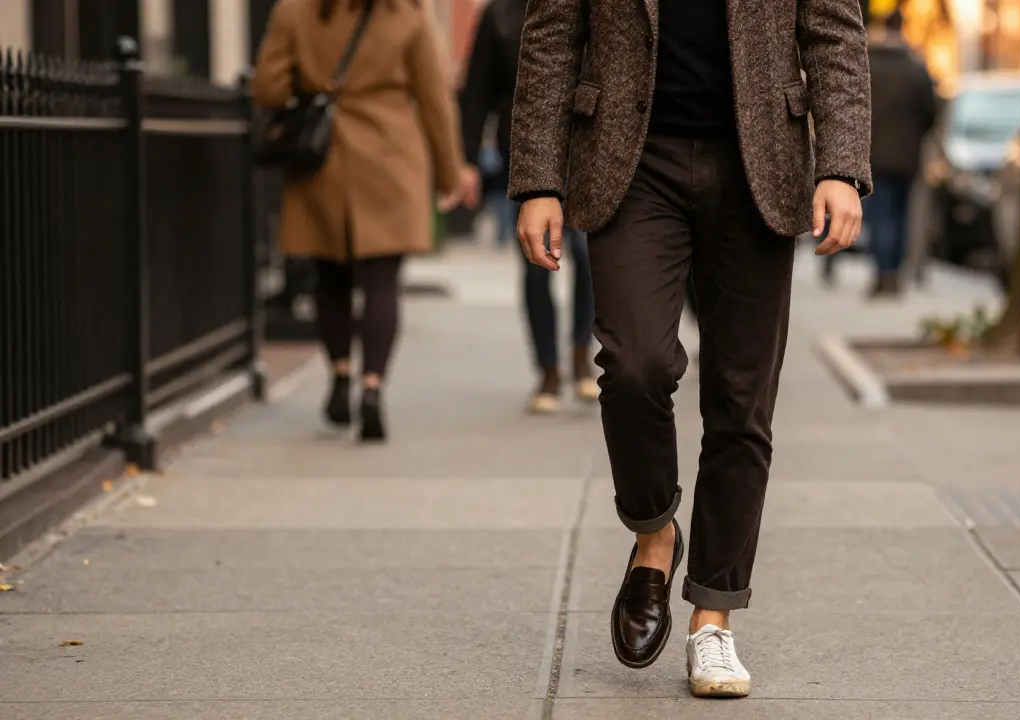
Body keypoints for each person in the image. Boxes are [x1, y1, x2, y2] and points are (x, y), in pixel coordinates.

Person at [509, 0, 872, 697]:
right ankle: (654, 533)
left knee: (742, 399)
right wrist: (538, 179)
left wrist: (841, 165)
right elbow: (552, 33)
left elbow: (833, 30)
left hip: (758, 160)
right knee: (634, 363)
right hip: (629, 159)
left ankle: (714, 620)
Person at [252, 0, 476, 441]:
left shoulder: (295, 10)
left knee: (329, 275)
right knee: (381, 281)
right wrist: (450, 172)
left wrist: (314, 81)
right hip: (390, 156)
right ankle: (372, 388)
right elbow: (434, 97)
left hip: (323, 162)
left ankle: (339, 375)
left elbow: (267, 87)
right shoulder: (407, 12)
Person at [458, 0, 598, 413]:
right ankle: (548, 369)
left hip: (587, 150)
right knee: (537, 266)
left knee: (587, 257)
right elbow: (475, 92)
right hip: (525, 154)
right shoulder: (500, 14)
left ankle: (580, 354)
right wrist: (467, 160)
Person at [860, 10, 936, 298]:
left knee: (879, 215)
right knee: (901, 215)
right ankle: (894, 272)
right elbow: (931, 112)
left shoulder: (869, 66)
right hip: (907, 156)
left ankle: (883, 272)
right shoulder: (916, 69)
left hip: (874, 155)